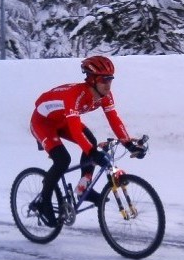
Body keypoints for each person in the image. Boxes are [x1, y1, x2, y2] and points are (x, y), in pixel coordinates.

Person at [30, 55, 146, 227]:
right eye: (104, 80)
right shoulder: (74, 96)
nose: (108, 84)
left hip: (62, 120)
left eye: (110, 79)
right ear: (92, 80)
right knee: (62, 160)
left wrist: (128, 144)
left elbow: (114, 120)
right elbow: (76, 131)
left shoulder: (105, 95)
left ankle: (83, 186)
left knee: (90, 141)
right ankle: (44, 202)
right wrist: (92, 152)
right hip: (43, 123)